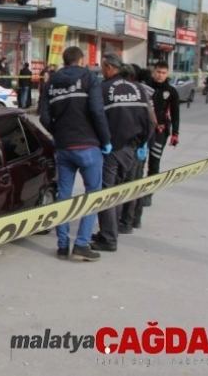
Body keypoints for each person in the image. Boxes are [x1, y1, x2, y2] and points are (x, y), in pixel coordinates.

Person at [39, 46, 112, 262]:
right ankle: (81, 244)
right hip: (88, 146)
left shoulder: (51, 82)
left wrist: (58, 133)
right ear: (81, 60)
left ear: (64, 61)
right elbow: (97, 111)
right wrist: (106, 140)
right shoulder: (89, 77)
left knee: (64, 196)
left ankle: (62, 246)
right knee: (92, 195)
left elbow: (44, 117)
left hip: (63, 148)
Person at [90, 55, 152, 252]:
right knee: (117, 190)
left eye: (102, 67)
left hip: (111, 148)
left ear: (109, 68)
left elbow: (96, 117)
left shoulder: (103, 88)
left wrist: (100, 141)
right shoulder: (138, 88)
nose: (101, 71)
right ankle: (110, 231)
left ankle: (108, 238)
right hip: (131, 149)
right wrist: (143, 142)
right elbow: (149, 120)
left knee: (107, 193)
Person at [118, 64, 157, 233]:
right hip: (141, 142)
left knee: (130, 183)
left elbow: (152, 121)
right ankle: (135, 219)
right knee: (136, 181)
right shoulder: (143, 91)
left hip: (137, 144)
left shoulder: (137, 92)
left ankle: (127, 221)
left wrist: (142, 143)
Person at [144, 60, 180, 207]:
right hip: (143, 130)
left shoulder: (171, 91)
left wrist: (175, 133)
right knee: (138, 163)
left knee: (154, 163)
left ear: (167, 74)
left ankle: (148, 194)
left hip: (161, 131)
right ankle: (134, 193)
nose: (160, 75)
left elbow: (175, 114)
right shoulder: (145, 86)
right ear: (154, 72)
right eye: (158, 72)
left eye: (163, 73)